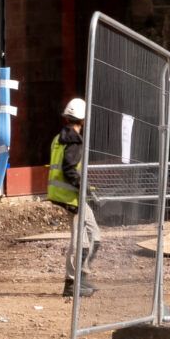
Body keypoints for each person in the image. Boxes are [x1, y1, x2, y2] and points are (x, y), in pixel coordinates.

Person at [49, 96, 98, 297]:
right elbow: (70, 171)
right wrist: (85, 190)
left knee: (94, 234)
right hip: (71, 197)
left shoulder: (59, 138)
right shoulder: (74, 141)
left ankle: (81, 278)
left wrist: (89, 190)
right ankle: (72, 283)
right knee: (81, 240)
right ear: (83, 120)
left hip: (69, 194)